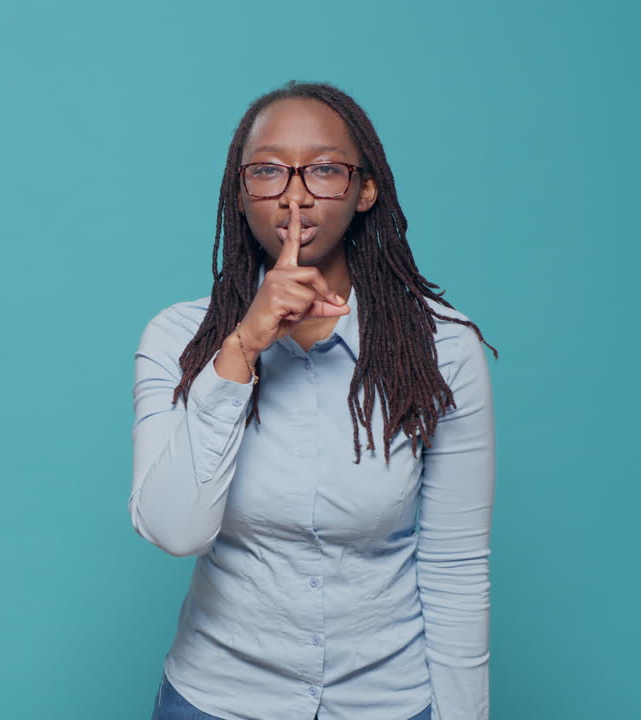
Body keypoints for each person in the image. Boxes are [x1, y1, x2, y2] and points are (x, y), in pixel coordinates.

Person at [130, 81, 498, 720]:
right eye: (268, 171)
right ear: (240, 194)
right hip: (217, 702)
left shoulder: (442, 349)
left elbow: (456, 568)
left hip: (388, 703)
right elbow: (175, 529)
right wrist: (242, 348)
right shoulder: (178, 340)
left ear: (365, 191)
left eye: (325, 169)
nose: (295, 193)